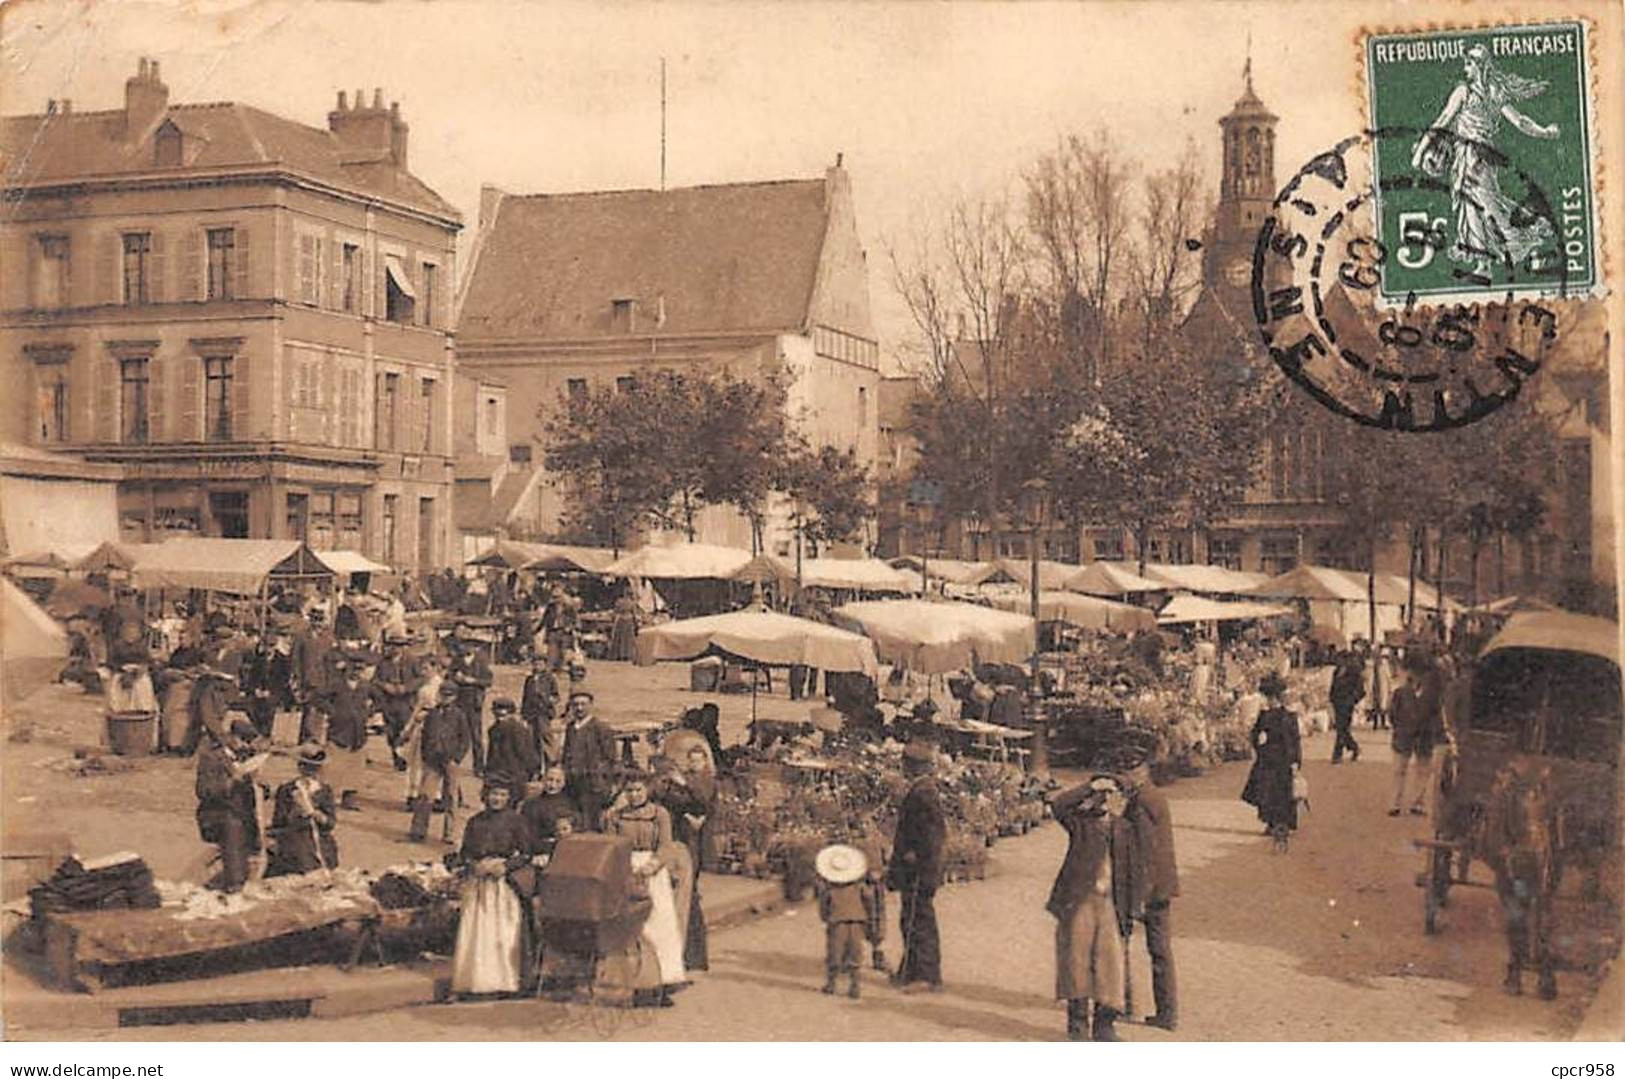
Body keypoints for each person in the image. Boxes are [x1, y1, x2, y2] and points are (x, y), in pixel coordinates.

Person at [1047, 775, 1135, 1041]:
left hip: (1111, 903)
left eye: (1112, 794)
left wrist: (1132, 908)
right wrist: (1089, 787)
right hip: (1081, 900)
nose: (1107, 799)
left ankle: (1104, 1025)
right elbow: (1059, 805)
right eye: (1103, 794)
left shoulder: (1125, 828)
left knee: (1110, 965)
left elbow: (1135, 871)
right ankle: (1077, 1026)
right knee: (1076, 960)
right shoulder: (1081, 823)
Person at [606, 774, 687, 1004]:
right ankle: (635, 981)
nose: (634, 795)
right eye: (630, 790)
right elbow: (610, 845)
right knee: (633, 926)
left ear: (647, 791)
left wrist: (654, 864)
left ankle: (664, 979)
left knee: (659, 922)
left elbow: (666, 845)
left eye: (639, 790)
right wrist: (622, 868)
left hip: (652, 870)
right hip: (626, 870)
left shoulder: (659, 815)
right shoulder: (616, 816)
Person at [451, 780, 535, 997]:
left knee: (502, 932)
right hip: (479, 883)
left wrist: (505, 866)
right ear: (485, 796)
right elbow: (465, 853)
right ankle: (476, 981)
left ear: (508, 798)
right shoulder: (475, 822)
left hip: (502, 885)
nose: (496, 799)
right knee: (477, 932)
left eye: (502, 795)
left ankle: (504, 981)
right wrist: (474, 865)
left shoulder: (517, 822)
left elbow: (527, 853)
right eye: (493, 794)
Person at [1117, 743, 1180, 1031]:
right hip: (1163, 884)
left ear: (1139, 772)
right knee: (1161, 949)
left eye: (1127, 773)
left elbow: (1143, 852)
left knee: (1155, 950)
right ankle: (1167, 1012)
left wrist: (1137, 898)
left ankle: (1137, 1007)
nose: (1123, 779)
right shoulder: (1154, 796)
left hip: (1150, 887)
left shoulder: (1141, 802)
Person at [887, 739, 946, 993]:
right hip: (919, 867)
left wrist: (919, 861)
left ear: (912, 767)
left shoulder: (923, 794)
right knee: (910, 918)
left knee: (918, 920)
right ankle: (910, 970)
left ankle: (925, 975)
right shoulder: (923, 790)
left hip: (920, 869)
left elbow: (931, 836)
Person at [654, 743, 717, 971]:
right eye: (691, 761)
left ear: (705, 762)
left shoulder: (707, 780)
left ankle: (694, 955)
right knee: (684, 897)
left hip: (695, 846)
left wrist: (683, 784)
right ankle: (687, 954)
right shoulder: (685, 780)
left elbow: (702, 800)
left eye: (698, 761)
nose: (694, 765)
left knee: (689, 896)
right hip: (683, 841)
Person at [195, 719, 268, 893]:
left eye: (248, 742)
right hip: (216, 814)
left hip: (240, 812)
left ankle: (242, 876)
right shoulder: (212, 758)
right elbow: (204, 791)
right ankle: (234, 882)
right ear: (231, 737)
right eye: (243, 740)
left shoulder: (244, 757)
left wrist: (260, 787)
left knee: (254, 828)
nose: (245, 746)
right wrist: (232, 781)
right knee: (233, 826)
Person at [1240, 672, 1302, 842]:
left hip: (1275, 758)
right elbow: (1293, 741)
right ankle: (1275, 822)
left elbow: (1292, 740)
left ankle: (1278, 823)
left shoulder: (1279, 716)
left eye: (1271, 698)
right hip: (1275, 759)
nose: (1270, 701)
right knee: (1273, 792)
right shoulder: (1279, 716)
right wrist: (1295, 761)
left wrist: (1294, 760)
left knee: (1276, 791)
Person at [411, 680, 471, 844]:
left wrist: (456, 758)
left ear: (455, 697)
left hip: (450, 760)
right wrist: (425, 755)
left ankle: (449, 833)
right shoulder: (432, 714)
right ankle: (419, 830)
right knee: (425, 796)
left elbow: (465, 740)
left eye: (449, 696)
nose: (445, 698)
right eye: (443, 695)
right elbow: (425, 736)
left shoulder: (459, 716)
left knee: (451, 798)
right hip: (432, 760)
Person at [1389, 646, 1444, 817]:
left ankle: (1417, 803)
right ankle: (1395, 803)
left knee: (1423, 770)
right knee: (1399, 769)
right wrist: (1399, 727)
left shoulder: (1432, 692)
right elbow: (1392, 713)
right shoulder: (1401, 692)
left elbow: (1436, 713)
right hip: (1404, 735)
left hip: (1424, 735)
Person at [815, 843, 874, 1000]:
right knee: (855, 952)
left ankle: (831, 983)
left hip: (837, 921)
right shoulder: (860, 887)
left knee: (835, 952)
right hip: (857, 920)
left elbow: (824, 907)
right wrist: (868, 917)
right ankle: (855, 985)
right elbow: (869, 901)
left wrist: (825, 917)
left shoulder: (829, 890)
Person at [269, 744, 339, 875]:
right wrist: (294, 814)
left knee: (322, 852)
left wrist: (317, 815)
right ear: (300, 767)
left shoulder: (325, 790)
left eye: (315, 769)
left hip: (319, 837)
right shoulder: (287, 789)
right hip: (295, 836)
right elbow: (278, 822)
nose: (311, 773)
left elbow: (331, 823)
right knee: (300, 851)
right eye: (307, 768)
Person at [561, 690, 616, 830]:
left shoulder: (600, 728)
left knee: (591, 822)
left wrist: (601, 782)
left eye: (583, 704)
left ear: (591, 705)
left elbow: (610, 758)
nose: (579, 708)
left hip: (592, 785)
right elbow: (566, 754)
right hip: (573, 783)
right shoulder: (571, 728)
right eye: (575, 705)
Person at [374, 634, 423, 771]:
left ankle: (405, 758)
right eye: (394, 646)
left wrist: (406, 687)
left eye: (400, 646)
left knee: (405, 731)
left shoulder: (412, 661)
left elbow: (420, 679)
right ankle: (396, 757)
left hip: (406, 702)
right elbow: (375, 680)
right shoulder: (383, 662)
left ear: (404, 647)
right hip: (389, 702)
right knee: (391, 731)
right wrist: (385, 686)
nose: (396, 649)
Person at [447, 633, 493, 774]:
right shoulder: (457, 660)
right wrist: (455, 678)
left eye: (470, 645)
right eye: (464, 644)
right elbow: (448, 677)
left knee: (476, 736)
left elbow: (488, 681)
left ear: (475, 648)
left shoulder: (481, 662)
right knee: (455, 733)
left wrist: (473, 681)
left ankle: (479, 766)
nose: (466, 648)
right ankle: (451, 763)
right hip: (459, 700)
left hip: (474, 702)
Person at [485, 696, 541, 804]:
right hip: (499, 775)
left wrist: (533, 771)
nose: (500, 718)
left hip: (513, 776)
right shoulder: (493, 730)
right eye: (497, 715)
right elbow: (491, 755)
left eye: (504, 715)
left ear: (511, 714)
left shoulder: (517, 730)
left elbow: (526, 753)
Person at [520, 766, 577, 851]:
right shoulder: (530, 804)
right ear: (543, 780)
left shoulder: (570, 803)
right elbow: (527, 834)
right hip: (539, 849)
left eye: (558, 781)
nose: (553, 785)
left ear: (563, 783)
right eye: (550, 780)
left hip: (566, 848)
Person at [520, 657, 560, 766]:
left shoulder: (550, 678)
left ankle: (551, 763)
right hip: (531, 713)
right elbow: (525, 697)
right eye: (535, 664)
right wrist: (523, 714)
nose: (537, 666)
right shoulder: (529, 679)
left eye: (540, 664)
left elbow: (556, 696)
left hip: (544, 713)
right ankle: (535, 767)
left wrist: (548, 700)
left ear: (545, 665)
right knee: (533, 741)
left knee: (546, 738)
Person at [1329, 646, 1366, 764]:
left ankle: (1337, 754)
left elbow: (1360, 690)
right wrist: (1331, 698)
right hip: (1338, 703)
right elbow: (1333, 687)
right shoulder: (1337, 671)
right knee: (1342, 729)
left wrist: (1353, 700)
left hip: (1347, 703)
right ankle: (1354, 748)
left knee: (1342, 728)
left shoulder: (1353, 672)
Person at [608, 591, 640, 662]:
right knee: (628, 639)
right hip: (629, 620)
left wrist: (613, 620)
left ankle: (620, 654)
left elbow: (615, 612)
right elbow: (634, 614)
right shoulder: (632, 603)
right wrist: (636, 624)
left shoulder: (619, 602)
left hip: (621, 620)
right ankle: (627, 655)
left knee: (620, 638)